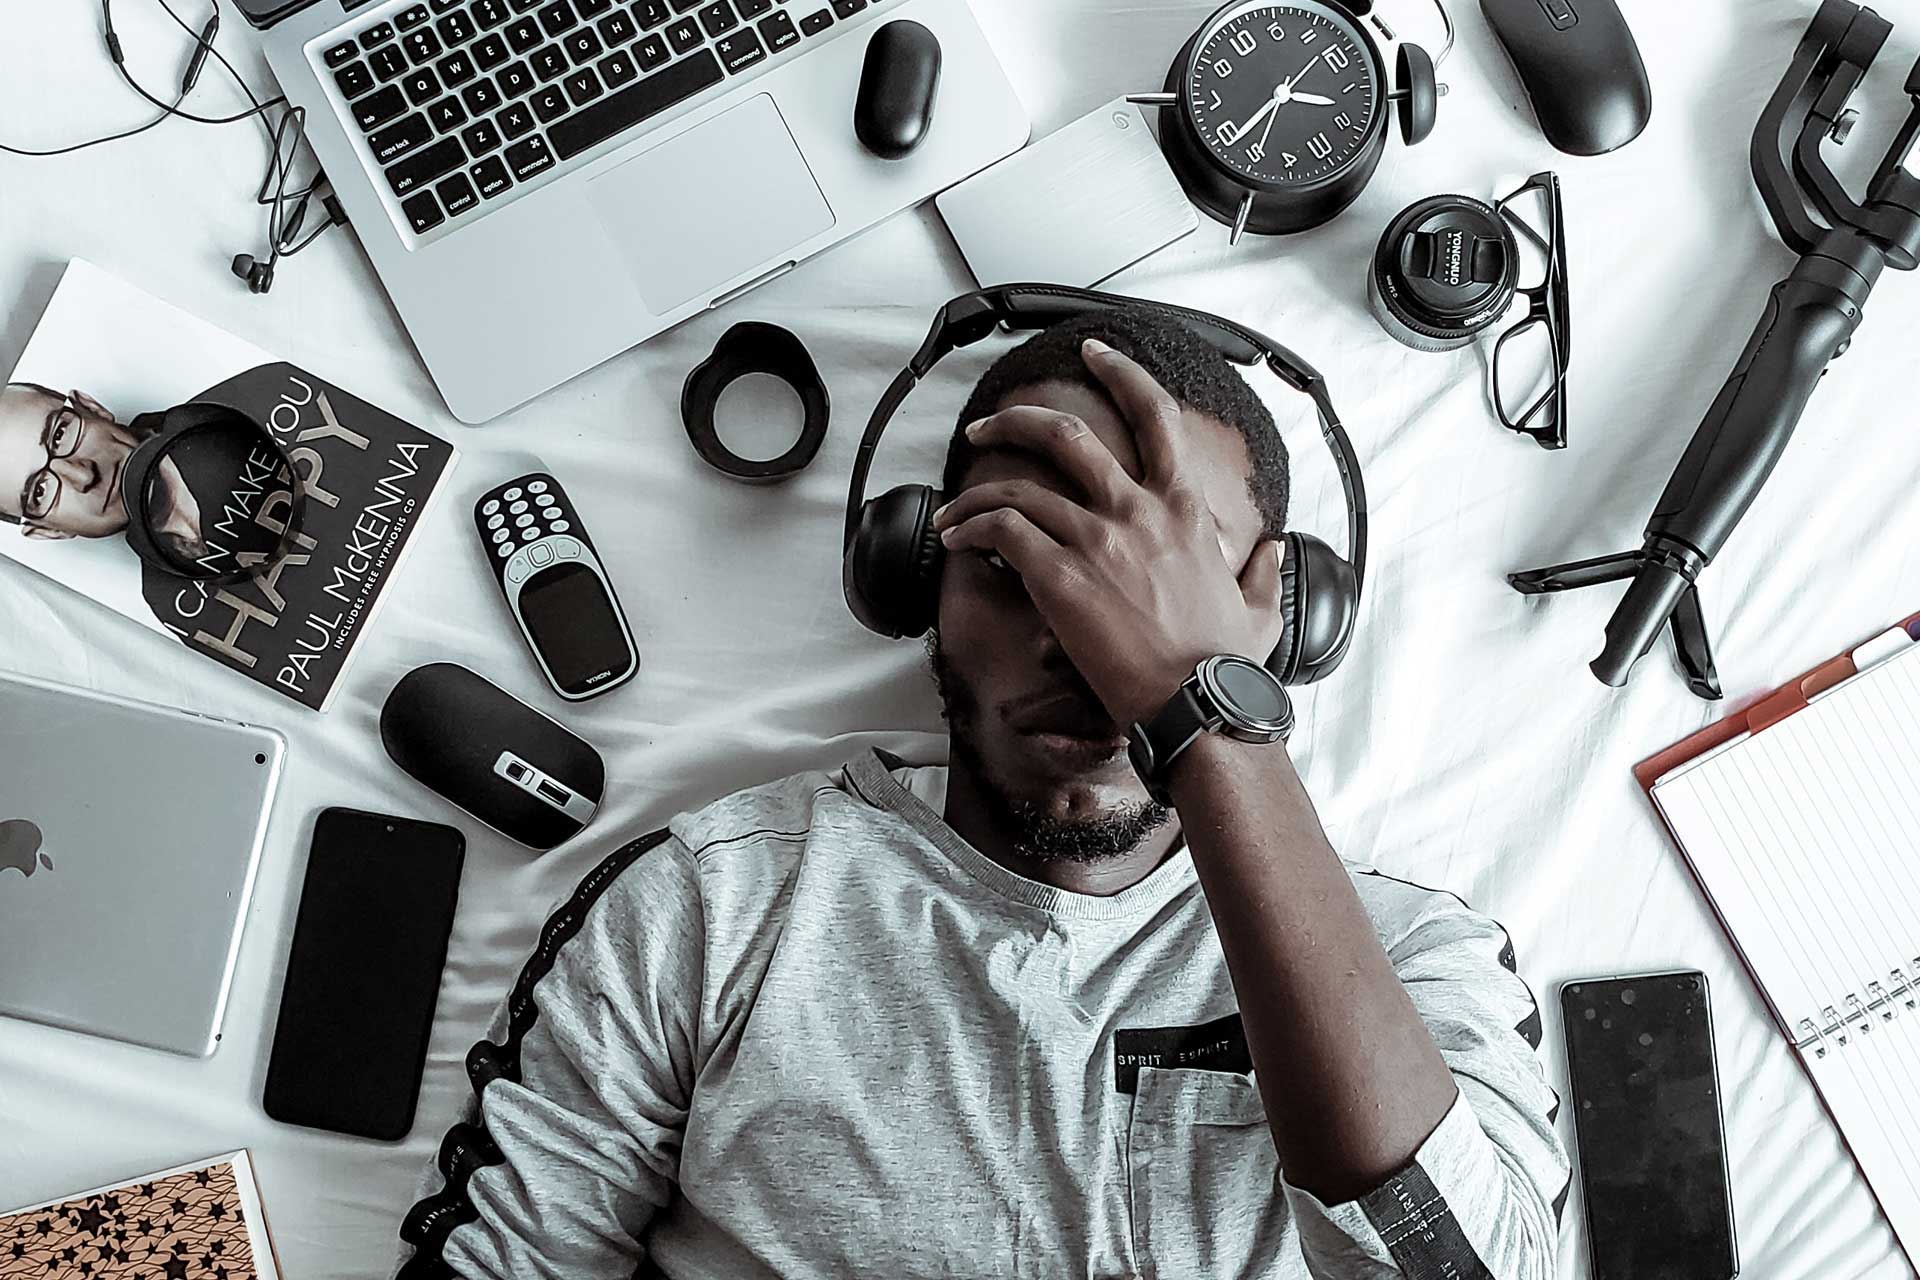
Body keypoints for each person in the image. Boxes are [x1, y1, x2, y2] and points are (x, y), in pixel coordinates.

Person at [397, 309, 1570, 1279]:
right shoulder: (708, 905)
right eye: (1018, 565)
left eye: (1163, 578)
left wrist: (1206, 717)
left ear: (1280, 609)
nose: (1085, 640)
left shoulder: (1417, 961)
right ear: (918, 579)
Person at [0, 382, 208, 565]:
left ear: (91, 408)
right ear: (49, 531)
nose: (84, 477)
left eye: (60, 434)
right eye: (39, 491)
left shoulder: (224, 407)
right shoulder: (164, 602)